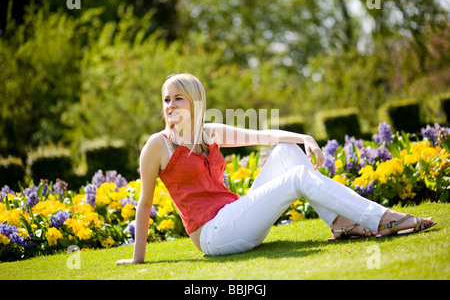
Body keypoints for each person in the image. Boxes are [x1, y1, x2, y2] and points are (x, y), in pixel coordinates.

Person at [115, 73, 435, 264]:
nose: (170, 105)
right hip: (214, 235)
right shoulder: (157, 145)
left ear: (195, 103)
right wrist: (137, 258)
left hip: (238, 216)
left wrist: (306, 137)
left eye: (178, 99)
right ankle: (382, 219)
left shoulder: (207, 132)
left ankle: (341, 224)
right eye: (167, 99)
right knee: (296, 177)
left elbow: (262, 136)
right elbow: (144, 205)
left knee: (285, 149)